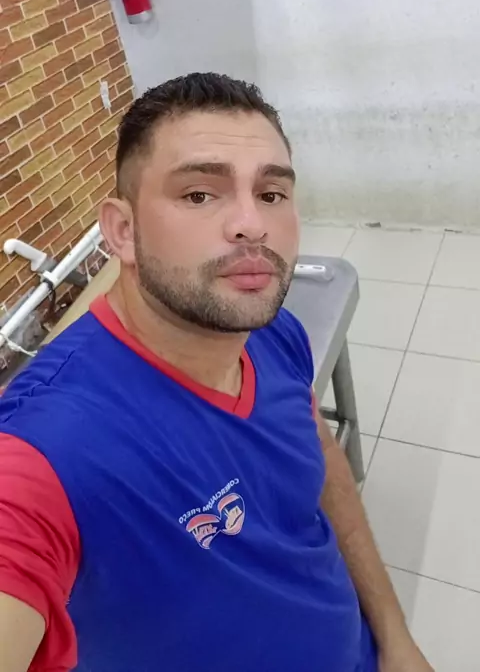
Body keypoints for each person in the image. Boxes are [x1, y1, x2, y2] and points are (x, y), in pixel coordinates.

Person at [0, 73, 433, 672]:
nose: (252, 223)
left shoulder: (270, 332)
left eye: (272, 194)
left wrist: (394, 635)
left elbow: (318, 460)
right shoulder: (46, 452)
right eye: (200, 194)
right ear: (123, 231)